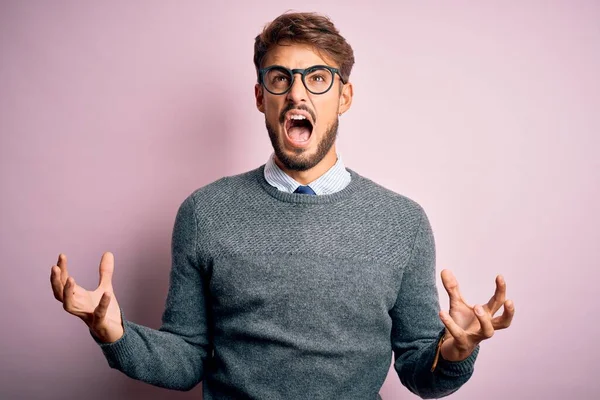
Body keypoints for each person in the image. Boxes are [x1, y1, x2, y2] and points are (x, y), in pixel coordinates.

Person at [50, 11, 514, 400]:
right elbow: (187, 358)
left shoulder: (402, 222)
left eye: (317, 78)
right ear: (260, 97)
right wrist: (116, 333)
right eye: (280, 79)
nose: (297, 93)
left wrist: (454, 353)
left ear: (344, 96)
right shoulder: (205, 213)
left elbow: (419, 369)